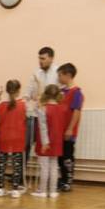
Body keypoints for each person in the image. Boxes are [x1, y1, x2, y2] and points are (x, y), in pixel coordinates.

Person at [24, 47, 59, 160]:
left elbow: (60, 95)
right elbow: (28, 92)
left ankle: (49, 175)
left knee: (50, 147)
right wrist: (24, 101)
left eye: (43, 58)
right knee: (27, 143)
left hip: (51, 117)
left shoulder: (58, 73)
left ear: (51, 58)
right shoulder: (36, 73)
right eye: (39, 58)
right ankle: (20, 176)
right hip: (35, 114)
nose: (40, 61)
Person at [33, 84, 65, 198]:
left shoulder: (43, 109)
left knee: (44, 167)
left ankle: (42, 191)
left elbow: (43, 127)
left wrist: (45, 143)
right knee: (54, 166)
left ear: (46, 94)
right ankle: (52, 191)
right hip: (57, 141)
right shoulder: (61, 108)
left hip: (45, 143)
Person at [0, 80, 26, 198]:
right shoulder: (23, 104)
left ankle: (0, 188)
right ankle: (14, 189)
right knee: (16, 165)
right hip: (17, 138)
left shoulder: (1, 105)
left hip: (4, 137)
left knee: (2, 164)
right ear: (18, 91)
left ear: (7, 91)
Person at [57, 63, 83, 192]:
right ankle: (62, 179)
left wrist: (70, 129)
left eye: (60, 75)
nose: (58, 78)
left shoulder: (76, 92)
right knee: (60, 157)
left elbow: (76, 111)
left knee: (68, 156)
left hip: (68, 131)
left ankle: (68, 181)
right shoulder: (61, 91)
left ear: (68, 75)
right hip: (59, 131)